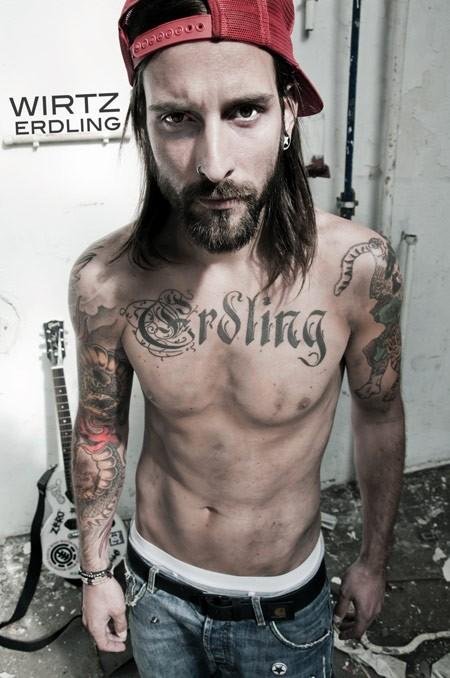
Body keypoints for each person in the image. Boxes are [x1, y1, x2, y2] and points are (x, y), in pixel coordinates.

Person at [69, 0, 405, 675]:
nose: (214, 163)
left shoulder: (358, 269)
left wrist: (373, 562)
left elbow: (379, 417)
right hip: (155, 589)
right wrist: (96, 570)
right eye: (178, 119)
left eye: (244, 110)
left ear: (288, 114)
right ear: (144, 126)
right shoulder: (105, 280)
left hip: (283, 604)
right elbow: (99, 429)